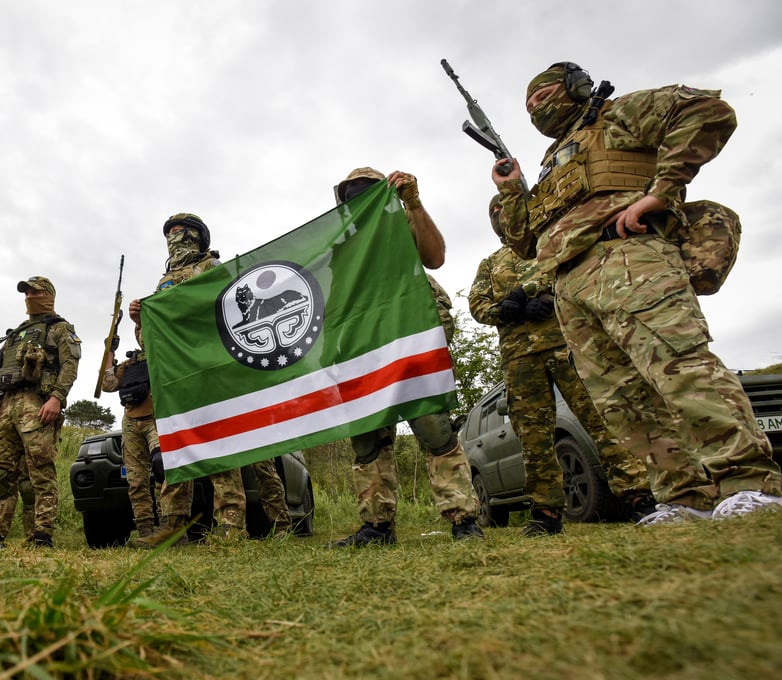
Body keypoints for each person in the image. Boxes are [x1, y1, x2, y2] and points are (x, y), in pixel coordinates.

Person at [495, 61, 782, 524]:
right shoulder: (552, 164)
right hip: (569, 284)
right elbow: (525, 243)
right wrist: (511, 192)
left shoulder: (616, 116)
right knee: (621, 399)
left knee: (680, 366)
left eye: (543, 96)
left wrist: (664, 190)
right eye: (528, 105)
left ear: (575, 88)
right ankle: (683, 496)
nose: (535, 108)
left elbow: (706, 110)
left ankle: (749, 482)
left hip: (628, 259)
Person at [469, 195, 654, 535]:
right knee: (533, 436)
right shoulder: (490, 263)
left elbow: (570, 270)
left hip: (566, 341)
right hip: (520, 357)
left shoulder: (548, 242)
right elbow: (477, 304)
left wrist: (539, 295)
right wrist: (506, 311)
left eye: (503, 208)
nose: (499, 214)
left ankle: (638, 496)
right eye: (492, 211)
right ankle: (547, 513)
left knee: (599, 418)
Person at [327, 168, 483, 547]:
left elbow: (436, 256)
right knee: (367, 438)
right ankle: (377, 527)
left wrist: (412, 203)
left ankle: (463, 519)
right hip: (364, 347)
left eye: (368, 191)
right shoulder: (341, 247)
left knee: (433, 426)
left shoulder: (404, 226)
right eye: (352, 195)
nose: (359, 199)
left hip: (410, 336)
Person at [130, 213, 247, 546]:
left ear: (197, 237)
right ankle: (174, 525)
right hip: (175, 379)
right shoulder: (163, 283)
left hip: (210, 370)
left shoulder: (212, 269)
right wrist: (141, 321)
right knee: (176, 446)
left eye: (181, 233)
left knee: (218, 442)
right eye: (170, 233)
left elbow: (231, 313)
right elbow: (150, 343)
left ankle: (230, 524)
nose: (174, 238)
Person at [0, 276, 80, 547]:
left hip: (37, 403)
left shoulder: (60, 328)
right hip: (5, 405)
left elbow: (70, 364)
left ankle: (42, 535)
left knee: (40, 473)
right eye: (26, 292)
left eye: (35, 292)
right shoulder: (14, 334)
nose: (29, 297)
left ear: (48, 294)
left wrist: (57, 397)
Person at [100, 347, 162, 540]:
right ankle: (145, 531)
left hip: (158, 418)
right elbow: (107, 384)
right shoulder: (130, 364)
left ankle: (168, 527)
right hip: (132, 421)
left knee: (163, 470)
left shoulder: (163, 355)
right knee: (135, 479)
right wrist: (109, 352)